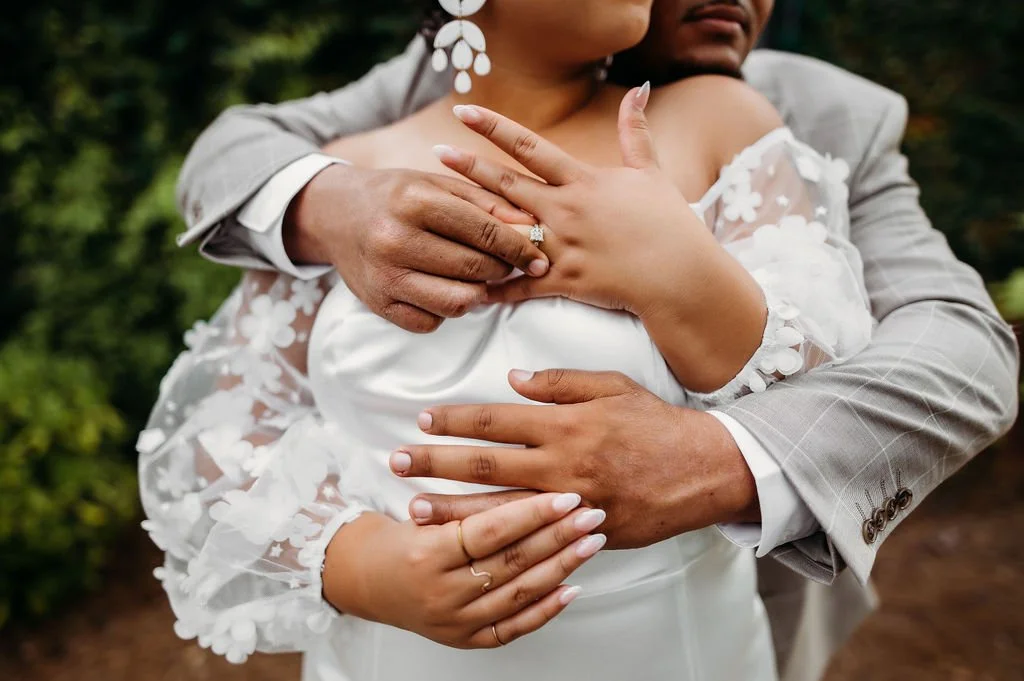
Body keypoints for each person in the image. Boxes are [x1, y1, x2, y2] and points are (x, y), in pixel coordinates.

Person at [155, 1, 1020, 680]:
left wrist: (683, 291)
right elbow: (226, 434)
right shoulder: (362, 142)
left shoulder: (756, 119)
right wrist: (361, 566)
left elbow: (959, 354)